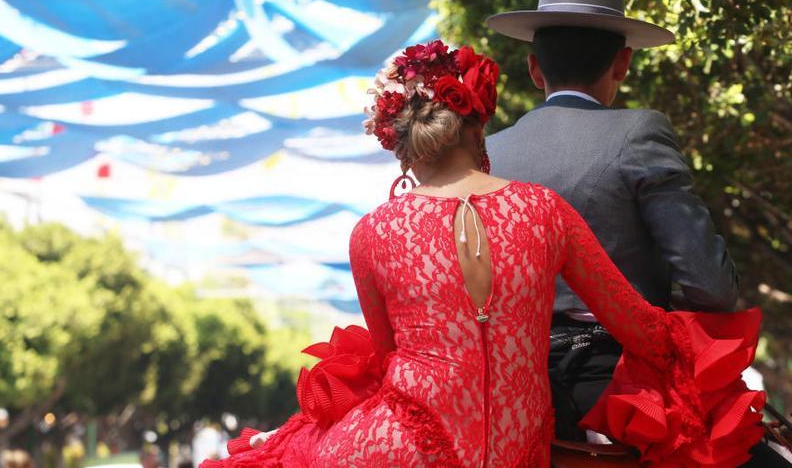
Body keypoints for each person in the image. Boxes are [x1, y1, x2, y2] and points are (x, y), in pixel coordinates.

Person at [200, 40, 763, 467]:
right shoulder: (544, 210)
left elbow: (390, 357)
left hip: (396, 449)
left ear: (400, 145)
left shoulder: (371, 232)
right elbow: (642, 331)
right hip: (516, 448)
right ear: (479, 120)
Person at [486, 0, 789, 465]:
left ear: (534, 68)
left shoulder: (488, 153)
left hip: (505, 382)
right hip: (623, 386)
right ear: (623, 63)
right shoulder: (640, 131)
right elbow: (710, 288)